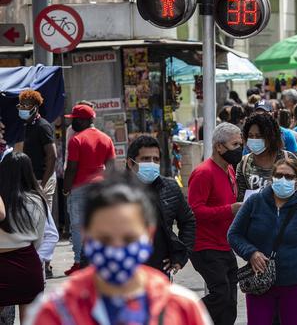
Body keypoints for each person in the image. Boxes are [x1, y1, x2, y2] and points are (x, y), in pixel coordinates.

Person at [26, 174, 212, 325]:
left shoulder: (182, 309)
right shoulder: (54, 312)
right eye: (105, 238)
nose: (117, 247)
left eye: (128, 238)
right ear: (86, 235)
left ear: (148, 235)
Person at [228, 158, 297, 325]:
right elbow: (234, 234)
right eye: (279, 175)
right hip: (260, 283)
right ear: (272, 178)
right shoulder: (255, 202)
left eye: (289, 177)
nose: (283, 179)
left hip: (295, 285)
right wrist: (251, 252)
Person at [187, 123, 243, 325]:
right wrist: (230, 210)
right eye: (235, 144)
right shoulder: (203, 173)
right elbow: (194, 211)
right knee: (221, 294)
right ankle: (184, 315)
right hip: (205, 246)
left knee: (230, 303)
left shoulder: (229, 170)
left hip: (224, 244)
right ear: (219, 147)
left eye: (240, 143)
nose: (239, 149)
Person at [126, 136, 196, 276]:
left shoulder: (170, 188)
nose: (151, 164)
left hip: (160, 270)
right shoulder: (115, 192)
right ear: (130, 163)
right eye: (145, 159)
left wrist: (180, 257)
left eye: (155, 160)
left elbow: (188, 221)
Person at [62, 104, 116, 276]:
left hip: (79, 188)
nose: (73, 123)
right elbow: (112, 168)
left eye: (75, 120)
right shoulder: (106, 139)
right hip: (100, 188)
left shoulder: (76, 140)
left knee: (78, 227)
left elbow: (71, 168)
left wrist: (65, 189)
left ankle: (79, 263)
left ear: (85, 120)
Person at [0, 152, 48, 324]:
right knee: (30, 320)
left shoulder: (0, 202)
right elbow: (39, 238)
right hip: (27, 262)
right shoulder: (36, 199)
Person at [237, 113, 297, 202]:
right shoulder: (244, 163)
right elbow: (240, 197)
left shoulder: (288, 159)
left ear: (270, 137)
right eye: (250, 136)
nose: (254, 139)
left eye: (259, 136)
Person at [17, 90, 57, 210]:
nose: (22, 108)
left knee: (43, 217)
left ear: (35, 107)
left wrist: (42, 185)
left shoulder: (43, 126)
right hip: (30, 180)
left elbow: (52, 156)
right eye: (21, 105)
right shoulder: (24, 126)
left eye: (26, 105)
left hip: (42, 179)